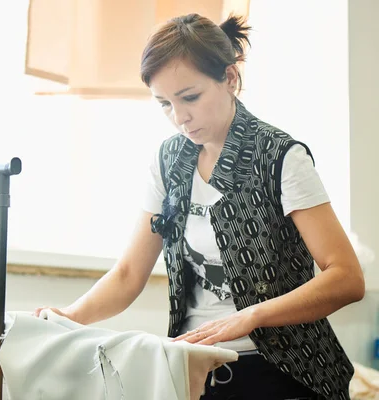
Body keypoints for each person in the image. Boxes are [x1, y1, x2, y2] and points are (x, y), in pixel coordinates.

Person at [34, 13, 364, 400]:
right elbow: (128, 274)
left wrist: (251, 316)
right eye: (164, 104)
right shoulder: (170, 160)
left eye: (190, 97)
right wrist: (69, 317)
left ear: (229, 79)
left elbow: (346, 277)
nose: (180, 118)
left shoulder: (279, 156)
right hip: (193, 369)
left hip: (283, 370)